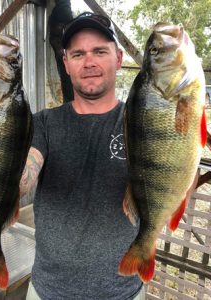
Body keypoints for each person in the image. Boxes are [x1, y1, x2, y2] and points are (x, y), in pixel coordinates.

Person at [21, 11, 144, 300]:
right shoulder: (43, 124)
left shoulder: (142, 123)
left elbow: (173, 183)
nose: (89, 62)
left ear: (118, 58)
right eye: (78, 54)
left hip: (124, 292)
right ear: (66, 64)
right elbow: (21, 180)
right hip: (47, 292)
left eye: (99, 51)